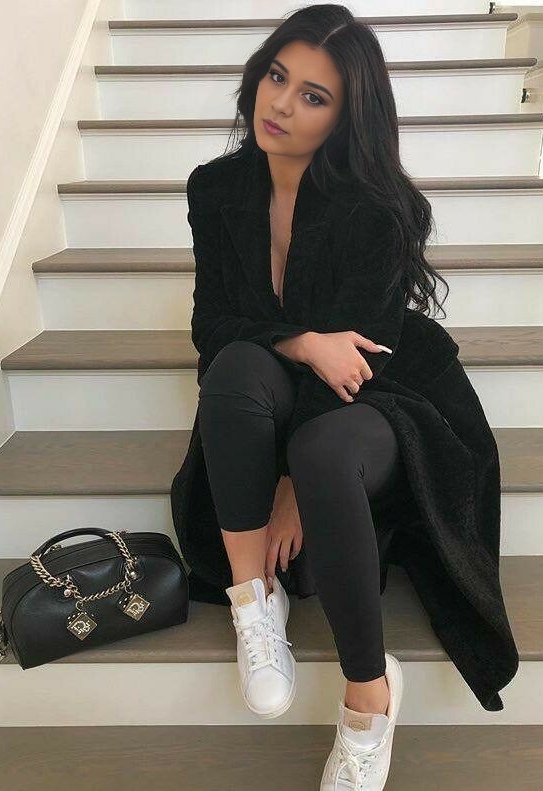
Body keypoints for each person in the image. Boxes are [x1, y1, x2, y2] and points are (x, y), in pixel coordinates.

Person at [189, 5, 452, 789]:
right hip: (281, 378)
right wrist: (301, 340)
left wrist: (295, 485)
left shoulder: (377, 208)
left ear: (345, 116)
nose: (279, 104)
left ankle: (369, 699)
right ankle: (253, 601)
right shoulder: (216, 187)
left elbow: (358, 364)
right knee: (235, 368)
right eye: (277, 76)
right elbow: (212, 325)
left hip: (375, 390)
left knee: (322, 452)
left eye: (313, 96)